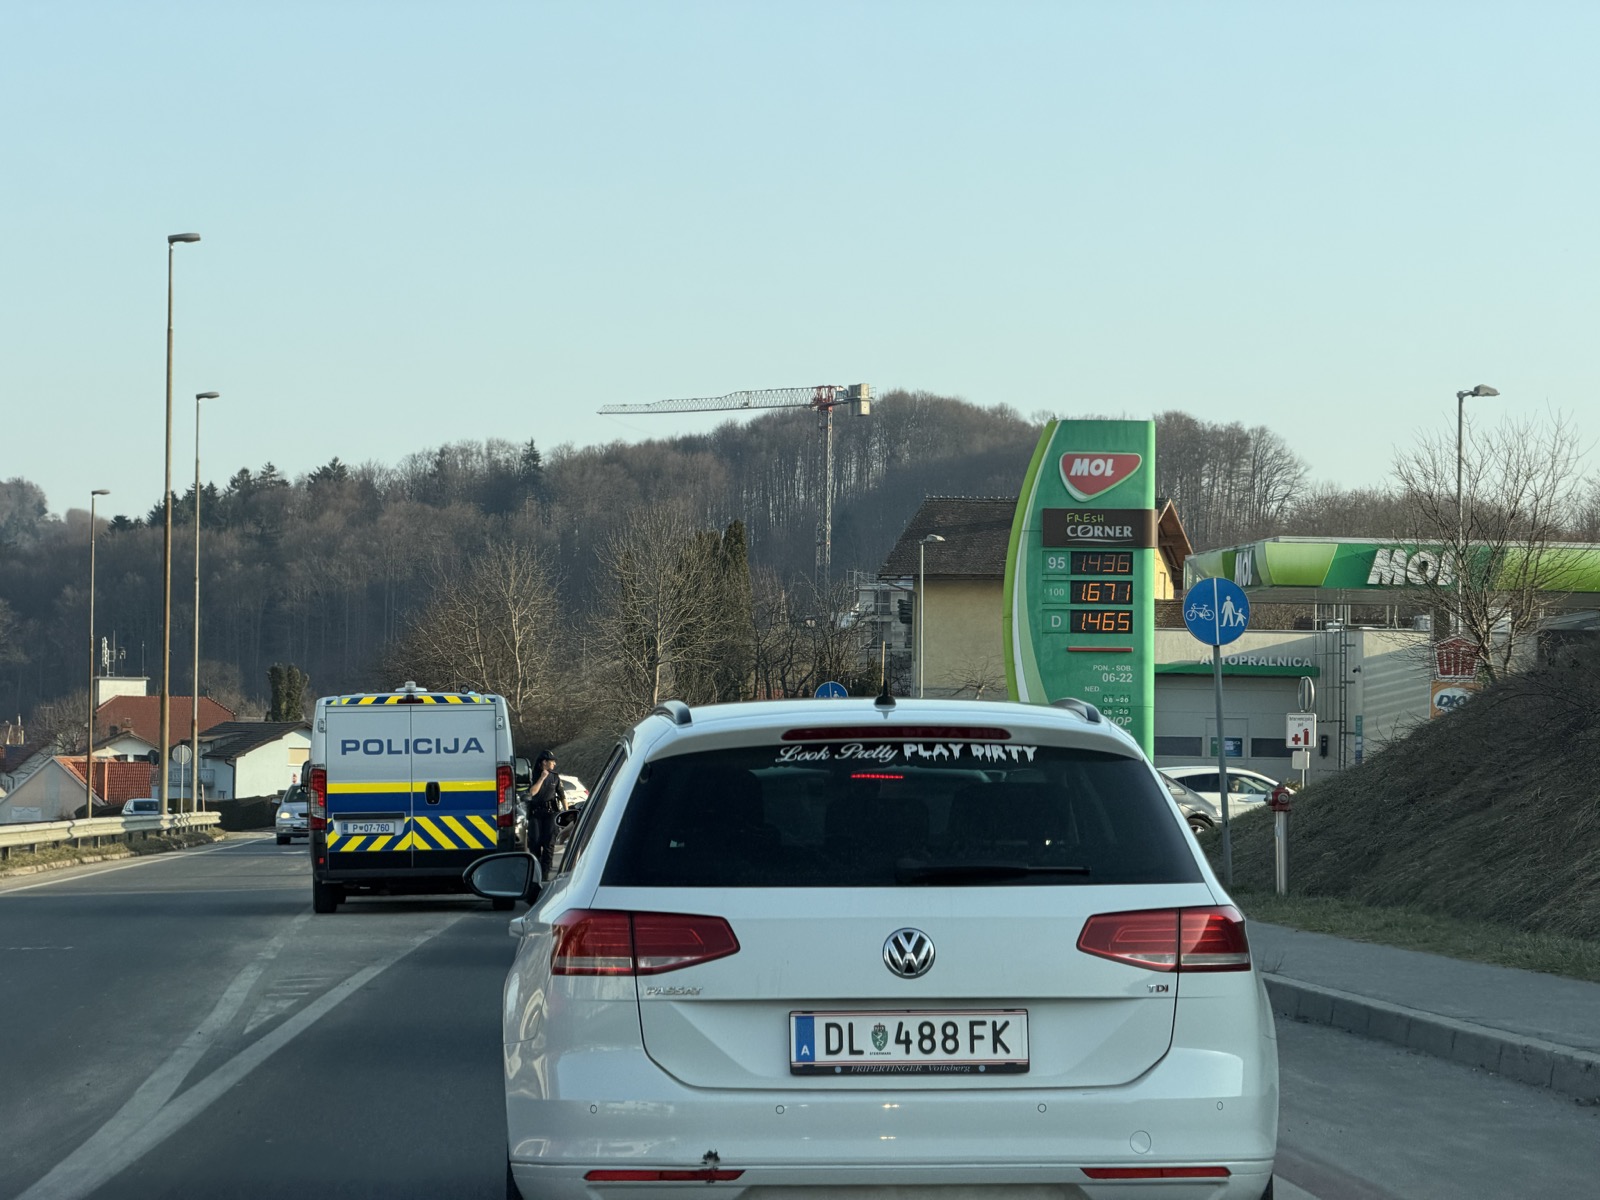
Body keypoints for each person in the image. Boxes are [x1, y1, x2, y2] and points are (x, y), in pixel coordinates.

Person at [524, 750, 566, 876]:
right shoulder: (533, 776)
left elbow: (562, 795)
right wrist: (542, 778)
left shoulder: (555, 777)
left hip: (550, 813)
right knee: (535, 843)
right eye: (552, 762)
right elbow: (532, 792)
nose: (554, 764)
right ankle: (535, 873)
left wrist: (567, 812)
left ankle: (545, 873)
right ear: (544, 762)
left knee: (549, 844)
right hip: (536, 813)